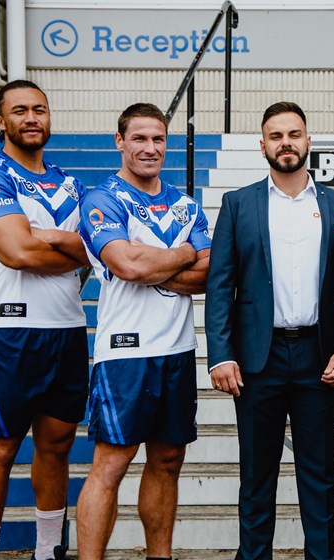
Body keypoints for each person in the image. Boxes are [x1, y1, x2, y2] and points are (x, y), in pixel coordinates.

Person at [205, 101, 334, 560]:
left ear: (308, 141)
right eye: (276, 136)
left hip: (320, 359)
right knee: (257, 476)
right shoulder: (238, 205)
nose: (286, 144)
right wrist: (221, 353)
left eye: (294, 134)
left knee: (319, 475)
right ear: (262, 146)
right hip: (258, 360)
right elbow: (220, 286)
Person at [74, 103, 212, 560]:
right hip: (124, 353)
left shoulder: (185, 204)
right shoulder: (101, 199)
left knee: (168, 461)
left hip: (177, 350)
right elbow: (127, 264)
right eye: (139, 138)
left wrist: (150, 264)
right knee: (111, 464)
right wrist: (181, 255)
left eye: (158, 139)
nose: (149, 148)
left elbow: (211, 273)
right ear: (120, 141)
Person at [0, 80, 89, 560]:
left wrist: (50, 239)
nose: (32, 117)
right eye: (20, 110)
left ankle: (46, 552)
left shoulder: (71, 184)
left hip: (67, 329)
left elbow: (94, 252)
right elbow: (16, 251)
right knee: (0, 448)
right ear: (1, 121)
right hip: (11, 332)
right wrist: (69, 245)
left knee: (56, 446)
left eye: (40, 109)